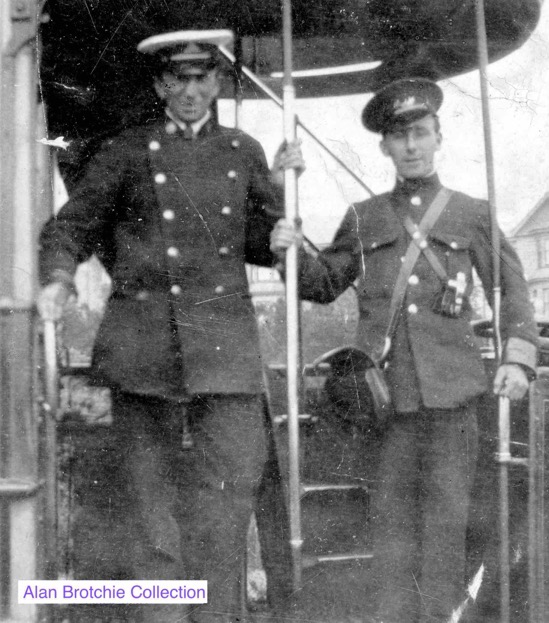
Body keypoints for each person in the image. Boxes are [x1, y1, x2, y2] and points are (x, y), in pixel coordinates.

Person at [38, 30, 302, 623]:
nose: (190, 90)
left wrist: (284, 227)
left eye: (201, 78)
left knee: (224, 519)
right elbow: (70, 226)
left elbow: (262, 242)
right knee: (149, 521)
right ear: (160, 85)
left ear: (216, 82)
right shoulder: (127, 151)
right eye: (177, 79)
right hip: (143, 354)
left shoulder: (244, 151)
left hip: (226, 359)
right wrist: (56, 277)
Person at [270, 77, 538, 623]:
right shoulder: (364, 218)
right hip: (385, 406)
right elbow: (321, 285)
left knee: (444, 534)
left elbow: (513, 288)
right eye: (400, 137)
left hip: (452, 404)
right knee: (390, 536)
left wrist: (517, 359)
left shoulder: (471, 214)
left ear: (439, 137)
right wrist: (288, 248)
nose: (411, 146)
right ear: (384, 147)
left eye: (420, 133)